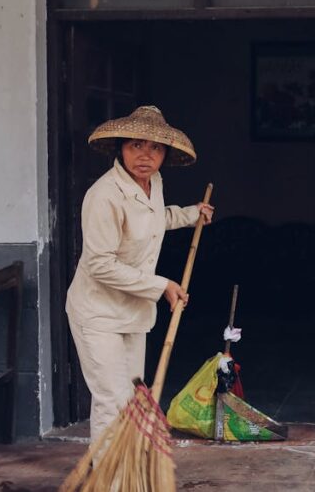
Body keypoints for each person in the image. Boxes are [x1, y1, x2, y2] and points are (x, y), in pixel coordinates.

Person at [65, 105, 213, 456]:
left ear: (165, 154)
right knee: (111, 401)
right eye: (135, 146)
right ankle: (109, 477)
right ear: (121, 149)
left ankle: (127, 474)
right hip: (97, 313)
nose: (145, 155)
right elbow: (100, 264)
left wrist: (191, 215)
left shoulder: (152, 183)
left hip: (132, 312)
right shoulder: (104, 195)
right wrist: (162, 286)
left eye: (155, 148)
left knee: (132, 398)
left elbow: (151, 220)